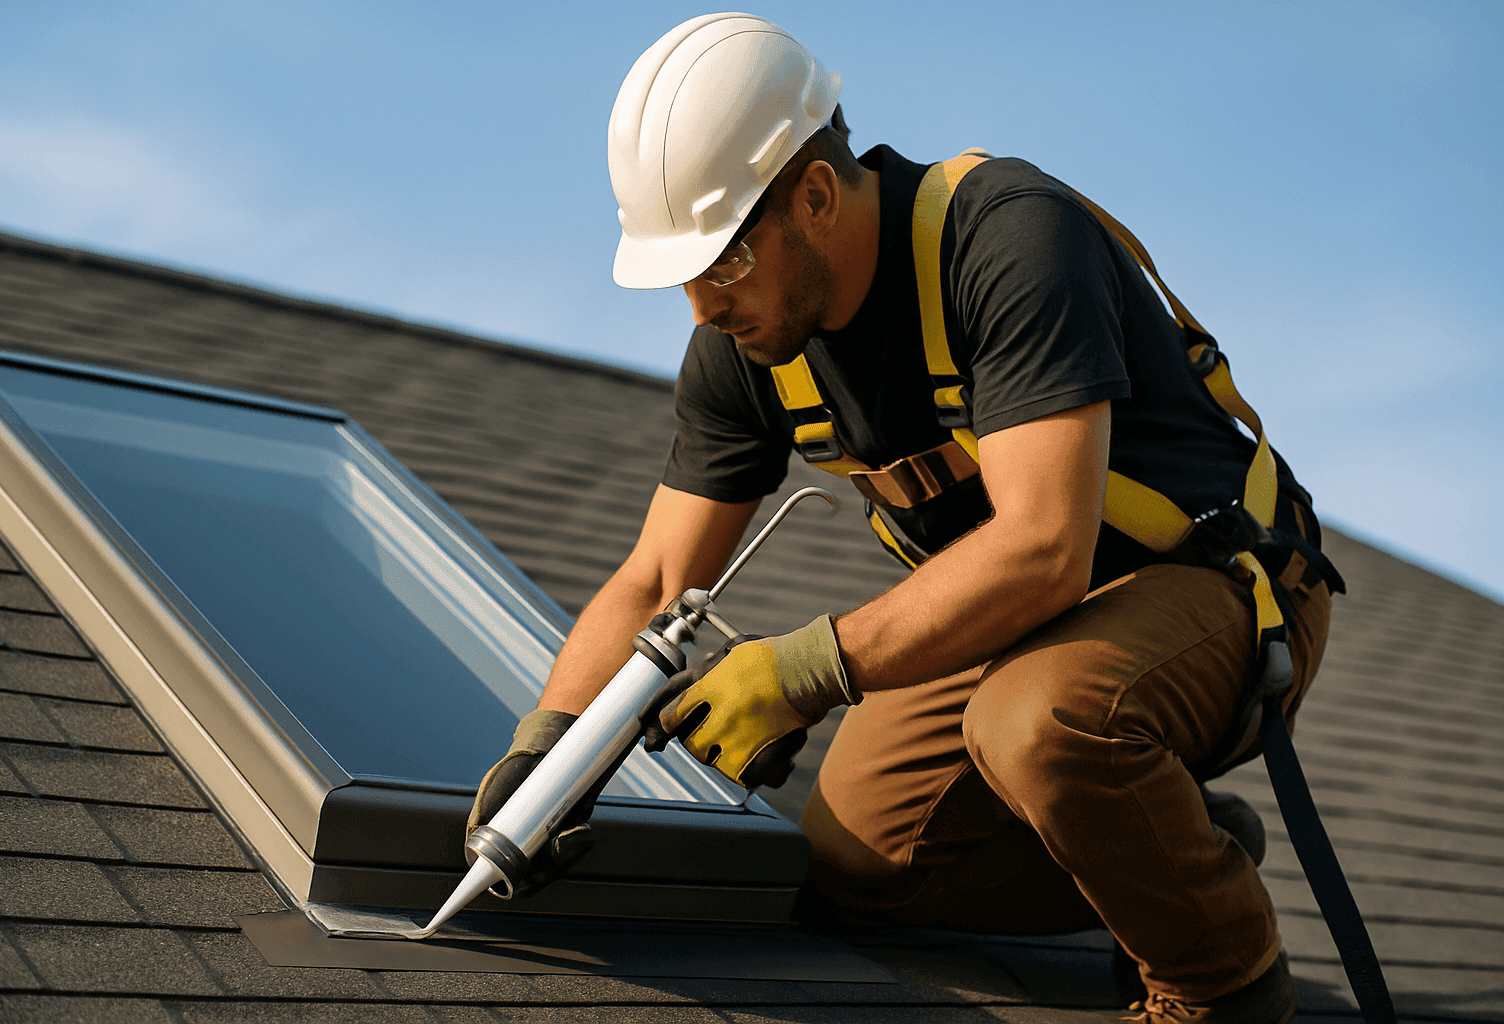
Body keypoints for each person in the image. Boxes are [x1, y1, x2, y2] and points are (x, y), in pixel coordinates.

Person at [470, 14, 1339, 1023]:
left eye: (725, 261)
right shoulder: (745, 344)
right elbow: (657, 580)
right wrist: (546, 751)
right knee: (856, 861)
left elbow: (1045, 548)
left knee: (1039, 719)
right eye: (684, 275)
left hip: (1218, 589)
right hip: (1031, 623)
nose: (703, 307)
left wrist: (801, 672)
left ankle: (1217, 982)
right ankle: (1178, 846)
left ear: (817, 193)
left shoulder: (1004, 236)